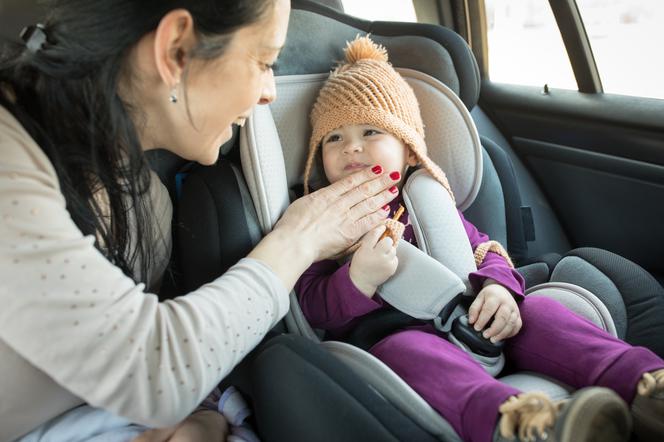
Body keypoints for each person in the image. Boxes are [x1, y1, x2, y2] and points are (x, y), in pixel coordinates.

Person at [0, 2, 404, 440]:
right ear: (175, 50)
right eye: (264, 61)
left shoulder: (145, 199)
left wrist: (205, 420)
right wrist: (298, 238)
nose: (269, 91)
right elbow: (153, 371)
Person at [295, 35, 664, 442]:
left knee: (541, 312)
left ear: (410, 150)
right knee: (412, 353)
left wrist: (500, 289)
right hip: (392, 338)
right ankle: (522, 423)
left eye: (370, 131)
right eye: (334, 138)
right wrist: (356, 280)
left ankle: (646, 385)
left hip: (478, 321)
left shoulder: (428, 204)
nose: (352, 148)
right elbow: (309, 305)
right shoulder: (323, 220)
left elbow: (486, 250)